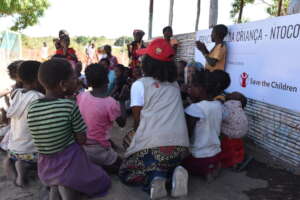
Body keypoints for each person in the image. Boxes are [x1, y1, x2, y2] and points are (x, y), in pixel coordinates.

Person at [27, 58, 111, 199]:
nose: (77, 80)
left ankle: (56, 186)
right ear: (63, 85)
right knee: (103, 179)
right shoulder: (69, 106)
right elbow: (82, 139)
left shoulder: (33, 107)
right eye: (74, 78)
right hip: (69, 162)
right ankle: (67, 186)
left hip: (45, 167)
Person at [119, 38, 190, 199]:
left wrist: (132, 139)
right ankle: (173, 174)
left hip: (154, 148)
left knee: (126, 174)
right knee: (165, 160)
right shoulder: (174, 85)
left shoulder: (140, 84)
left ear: (148, 63)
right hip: (180, 148)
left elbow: (137, 121)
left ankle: (155, 180)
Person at [77, 64, 126, 173]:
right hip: (98, 149)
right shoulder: (110, 103)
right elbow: (122, 123)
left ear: (88, 83)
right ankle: (101, 166)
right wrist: (122, 101)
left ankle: (93, 166)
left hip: (81, 147)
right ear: (107, 79)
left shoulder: (81, 96)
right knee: (124, 167)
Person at [4, 61, 44, 187]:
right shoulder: (38, 98)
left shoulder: (16, 94)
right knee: (47, 154)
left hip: (14, 150)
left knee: (20, 156)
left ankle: (20, 175)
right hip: (32, 152)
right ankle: (44, 178)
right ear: (38, 78)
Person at [183, 71, 223, 183]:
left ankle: (197, 172)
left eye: (192, 85)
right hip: (216, 154)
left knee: (176, 162)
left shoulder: (194, 109)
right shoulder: (218, 105)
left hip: (197, 157)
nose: (189, 88)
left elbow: (187, 134)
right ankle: (210, 170)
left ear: (202, 89)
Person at [220, 92, 248, 169]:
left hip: (231, 134)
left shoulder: (225, 107)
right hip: (242, 132)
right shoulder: (239, 107)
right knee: (237, 146)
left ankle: (231, 162)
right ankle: (239, 158)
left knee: (220, 127)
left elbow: (220, 118)